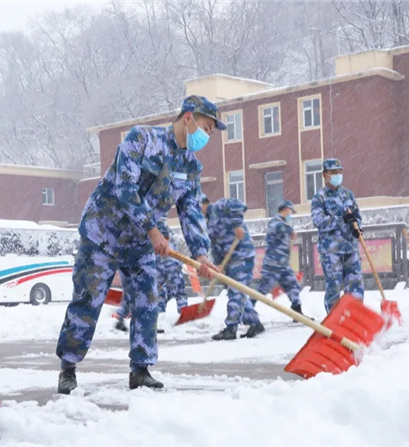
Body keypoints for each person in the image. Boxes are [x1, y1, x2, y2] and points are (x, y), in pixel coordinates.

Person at [56, 95, 221, 394]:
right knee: (88, 299)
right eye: (206, 127)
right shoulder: (142, 139)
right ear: (188, 117)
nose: (207, 136)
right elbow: (125, 188)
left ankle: (141, 370)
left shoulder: (190, 166)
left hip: (139, 241)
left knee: (147, 300)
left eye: (210, 132)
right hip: (102, 232)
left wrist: (201, 254)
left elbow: (191, 212)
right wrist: (152, 230)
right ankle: (68, 366)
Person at [202, 196, 264, 341]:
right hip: (229, 260)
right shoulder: (209, 223)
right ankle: (254, 322)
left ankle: (231, 328)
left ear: (204, 204)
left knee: (236, 291)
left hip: (242, 255)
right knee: (236, 292)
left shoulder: (220, 206)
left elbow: (239, 205)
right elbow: (215, 246)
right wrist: (218, 264)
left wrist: (237, 225)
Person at [310, 158, 364, 312]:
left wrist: (357, 228)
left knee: (356, 285)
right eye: (334, 172)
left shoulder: (348, 195)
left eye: (340, 172)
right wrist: (340, 220)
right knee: (334, 287)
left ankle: (354, 317)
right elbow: (319, 221)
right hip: (331, 251)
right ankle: (334, 320)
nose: (338, 175)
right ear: (325, 175)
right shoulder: (319, 198)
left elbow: (356, 215)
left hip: (350, 248)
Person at [255, 200, 307, 319]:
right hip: (272, 264)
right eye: (290, 211)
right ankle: (246, 310)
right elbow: (276, 228)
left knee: (293, 285)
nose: (291, 214)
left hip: (283, 264)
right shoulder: (275, 222)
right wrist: (289, 230)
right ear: (285, 209)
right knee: (262, 290)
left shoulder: (284, 224)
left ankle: (297, 311)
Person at [155, 220, 188, 315]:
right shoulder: (170, 235)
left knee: (159, 292)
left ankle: (159, 314)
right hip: (172, 266)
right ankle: (184, 313)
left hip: (160, 266)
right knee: (179, 292)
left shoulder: (152, 232)